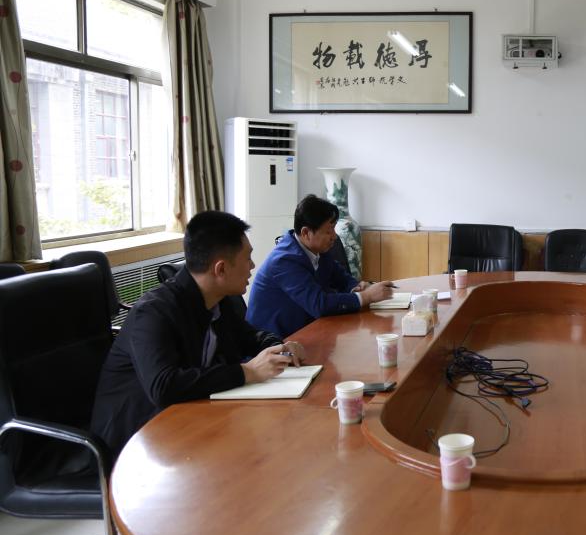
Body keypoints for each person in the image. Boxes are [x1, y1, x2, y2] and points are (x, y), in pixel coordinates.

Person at [91, 211, 302, 457]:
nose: (253, 266)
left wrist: (280, 348)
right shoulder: (153, 312)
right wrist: (247, 372)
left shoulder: (217, 300)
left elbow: (248, 337)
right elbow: (163, 387)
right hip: (134, 442)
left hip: (184, 424)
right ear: (220, 269)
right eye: (247, 258)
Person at [246, 194, 393, 337]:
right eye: (328, 231)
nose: (334, 236)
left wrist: (358, 287)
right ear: (306, 233)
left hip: (305, 331)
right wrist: (366, 296)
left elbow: (342, 278)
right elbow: (319, 305)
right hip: (273, 342)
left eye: (334, 229)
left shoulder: (318, 250)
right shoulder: (284, 261)